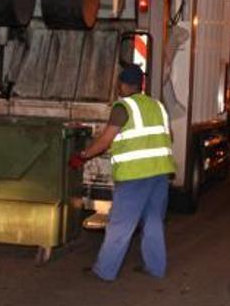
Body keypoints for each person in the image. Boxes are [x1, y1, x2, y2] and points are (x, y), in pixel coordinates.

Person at [69, 64, 176, 281]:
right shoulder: (158, 106)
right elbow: (169, 136)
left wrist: (83, 155)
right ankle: (155, 268)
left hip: (134, 176)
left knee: (120, 225)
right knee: (154, 223)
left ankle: (104, 271)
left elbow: (105, 141)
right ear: (141, 85)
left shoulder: (123, 107)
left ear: (122, 85)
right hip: (160, 175)